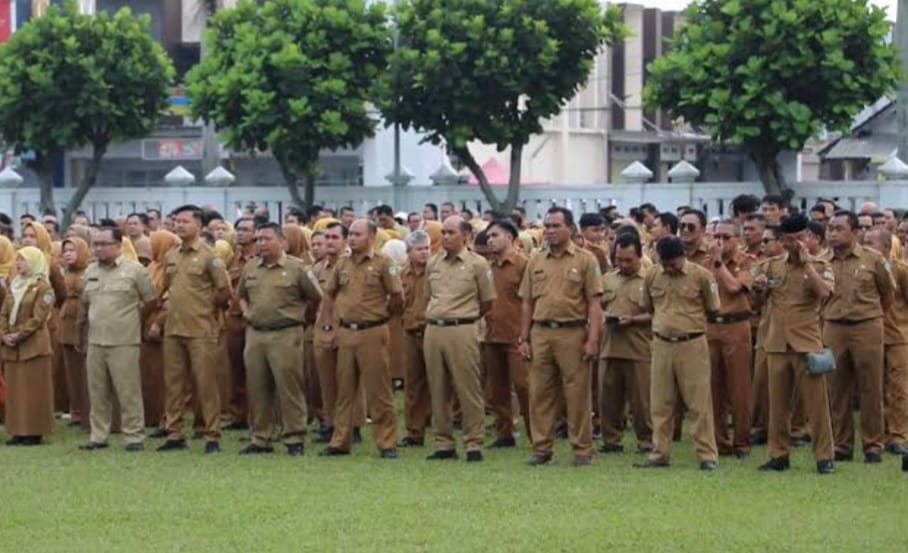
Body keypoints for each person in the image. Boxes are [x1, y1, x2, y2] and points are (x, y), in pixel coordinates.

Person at [518, 207, 603, 466]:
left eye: (556, 226)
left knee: (577, 394)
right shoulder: (536, 259)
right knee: (540, 392)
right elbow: (527, 302)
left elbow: (594, 303)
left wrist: (592, 339)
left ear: (570, 229)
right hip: (541, 332)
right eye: (548, 226)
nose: (551, 231)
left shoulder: (586, 260)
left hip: (573, 332)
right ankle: (541, 447)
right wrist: (524, 338)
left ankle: (582, 449)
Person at [754, 213, 835, 474]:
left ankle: (824, 457)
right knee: (777, 406)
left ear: (809, 238)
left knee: (817, 406)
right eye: (788, 240)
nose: (794, 244)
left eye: (799, 238)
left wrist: (807, 264)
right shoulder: (771, 266)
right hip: (777, 343)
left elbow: (825, 293)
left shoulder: (821, 265)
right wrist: (759, 289)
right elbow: (757, 304)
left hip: (807, 344)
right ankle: (778, 455)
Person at [318, 219, 403, 458]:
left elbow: (397, 296)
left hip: (372, 332)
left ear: (371, 237)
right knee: (344, 390)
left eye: (357, 234)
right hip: (346, 332)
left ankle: (387, 443)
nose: (352, 238)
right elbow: (329, 295)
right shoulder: (342, 264)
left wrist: (384, 316)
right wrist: (328, 325)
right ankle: (340, 441)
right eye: (351, 234)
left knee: (380, 391)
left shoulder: (384, 263)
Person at [635, 236, 721, 471]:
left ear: (683, 256)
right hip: (661, 344)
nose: (669, 267)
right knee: (660, 403)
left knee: (698, 403)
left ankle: (706, 455)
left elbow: (713, 307)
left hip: (692, 343)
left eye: (673, 263)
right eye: (665, 263)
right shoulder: (653, 274)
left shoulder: (702, 276)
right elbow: (648, 306)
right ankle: (659, 453)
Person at [237, 223, 322, 455]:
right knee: (257, 387)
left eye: (267, 239)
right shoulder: (251, 267)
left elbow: (315, 298)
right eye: (259, 240)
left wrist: (302, 318)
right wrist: (247, 312)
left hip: (286, 334)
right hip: (255, 334)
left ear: (282, 241)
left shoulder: (297, 268)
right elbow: (241, 295)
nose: (261, 244)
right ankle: (260, 437)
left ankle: (294, 437)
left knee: (289, 387)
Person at [157, 205, 231, 454]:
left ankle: (212, 434)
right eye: (176, 221)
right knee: (174, 384)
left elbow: (224, 291)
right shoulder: (171, 256)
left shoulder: (211, 256)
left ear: (199, 226)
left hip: (201, 329)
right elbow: (168, 289)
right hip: (174, 329)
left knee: (206, 384)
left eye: (185, 221)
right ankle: (174, 432)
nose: (179, 225)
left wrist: (205, 310)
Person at [422, 216, 496, 462]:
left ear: (466, 235)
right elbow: (428, 296)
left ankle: (474, 442)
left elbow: (488, 302)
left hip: (463, 327)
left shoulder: (478, 264)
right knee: (437, 387)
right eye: (443, 232)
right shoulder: (433, 263)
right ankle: (444, 443)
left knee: (468, 387)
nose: (446, 236)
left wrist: (468, 318)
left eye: (452, 232)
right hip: (434, 328)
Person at [77, 227, 157, 451]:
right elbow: (86, 302)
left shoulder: (135, 271)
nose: (99, 249)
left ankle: (134, 436)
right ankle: (98, 436)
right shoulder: (91, 270)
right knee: (97, 391)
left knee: (128, 390)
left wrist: (133, 320)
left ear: (118, 245)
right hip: (95, 340)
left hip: (124, 340)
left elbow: (151, 302)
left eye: (104, 244)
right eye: (96, 244)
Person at [825, 210, 894, 463]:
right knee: (836, 388)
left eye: (839, 228)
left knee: (871, 387)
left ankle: (873, 445)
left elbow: (887, 294)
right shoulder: (822, 260)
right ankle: (842, 446)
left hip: (867, 325)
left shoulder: (874, 259)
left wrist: (872, 317)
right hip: (833, 326)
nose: (832, 233)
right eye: (830, 228)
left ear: (855, 232)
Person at [599, 233, 652, 453]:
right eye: (619, 259)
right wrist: (604, 315)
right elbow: (595, 306)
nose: (623, 264)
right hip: (610, 347)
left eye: (629, 260)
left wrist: (633, 320)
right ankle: (611, 440)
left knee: (642, 400)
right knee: (608, 397)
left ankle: (647, 439)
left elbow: (658, 311)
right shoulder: (607, 279)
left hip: (639, 347)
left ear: (640, 256)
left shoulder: (650, 278)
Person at [706, 219, 754, 458]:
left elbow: (735, 287)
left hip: (737, 326)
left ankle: (742, 442)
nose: (720, 242)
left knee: (739, 387)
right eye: (717, 237)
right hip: (710, 327)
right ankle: (718, 440)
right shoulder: (705, 262)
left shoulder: (747, 262)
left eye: (726, 238)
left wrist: (718, 263)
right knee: (713, 388)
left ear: (738, 239)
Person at [0, 247, 55, 446]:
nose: (19, 264)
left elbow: (39, 318)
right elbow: (4, 312)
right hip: (13, 347)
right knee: (16, 391)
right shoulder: (14, 284)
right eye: (17, 260)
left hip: (34, 345)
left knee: (33, 390)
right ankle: (18, 430)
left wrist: (19, 334)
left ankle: (34, 430)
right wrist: (4, 334)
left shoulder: (43, 288)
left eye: (23, 260)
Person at [483, 219, 530, 448]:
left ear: (511, 238)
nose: (490, 240)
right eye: (488, 236)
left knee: (524, 386)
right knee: (497, 389)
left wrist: (526, 334)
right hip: (492, 334)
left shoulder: (523, 265)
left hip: (517, 336)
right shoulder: (486, 267)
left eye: (495, 235)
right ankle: (504, 433)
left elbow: (530, 301)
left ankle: (536, 433)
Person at [862, 228, 908, 455]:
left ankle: (897, 435)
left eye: (871, 242)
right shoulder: (861, 268)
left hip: (898, 337)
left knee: (898, 389)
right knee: (873, 389)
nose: (866, 246)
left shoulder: (900, 270)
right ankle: (876, 436)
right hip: (870, 336)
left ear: (887, 248)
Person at [143, 230, 181, 434]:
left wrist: (158, 322)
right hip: (147, 323)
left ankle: (168, 420)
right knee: (152, 376)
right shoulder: (152, 266)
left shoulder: (171, 267)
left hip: (164, 324)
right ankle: (154, 416)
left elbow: (170, 297)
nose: (149, 246)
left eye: (154, 243)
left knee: (168, 376)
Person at [399, 230, 432, 447]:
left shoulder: (437, 271)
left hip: (433, 331)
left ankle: (443, 430)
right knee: (413, 385)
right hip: (411, 333)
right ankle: (414, 432)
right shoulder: (402, 275)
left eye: (427, 248)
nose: (424, 253)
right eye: (419, 249)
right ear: (409, 252)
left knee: (440, 384)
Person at [224, 217, 256, 429]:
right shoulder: (234, 259)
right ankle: (238, 416)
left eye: (245, 229)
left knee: (256, 372)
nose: (240, 233)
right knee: (235, 371)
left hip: (255, 320)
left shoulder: (260, 258)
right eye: (238, 229)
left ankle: (257, 416)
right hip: (235, 320)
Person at [58, 237, 91, 430]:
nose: (68, 254)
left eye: (72, 250)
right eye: (65, 251)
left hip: (83, 323)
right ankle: (76, 410)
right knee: (71, 371)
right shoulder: (65, 273)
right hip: (66, 323)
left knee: (85, 370)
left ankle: (87, 410)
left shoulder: (89, 271)